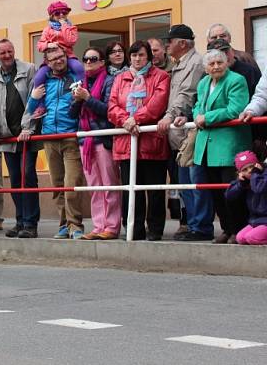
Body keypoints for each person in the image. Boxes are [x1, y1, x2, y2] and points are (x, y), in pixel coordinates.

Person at [185, 49, 251, 243]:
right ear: (205, 68)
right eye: (211, 64)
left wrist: (207, 118)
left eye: (219, 62)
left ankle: (238, 229)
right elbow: (198, 104)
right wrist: (198, 115)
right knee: (215, 191)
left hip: (228, 144)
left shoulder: (236, 80)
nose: (215, 67)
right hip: (206, 146)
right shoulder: (204, 82)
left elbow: (235, 108)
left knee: (232, 191)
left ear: (226, 63)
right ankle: (226, 229)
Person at [107, 40, 170, 241]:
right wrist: (125, 120)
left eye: (141, 55)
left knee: (154, 190)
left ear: (149, 56)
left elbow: (157, 104)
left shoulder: (161, 76)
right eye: (133, 55)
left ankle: (155, 229)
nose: (137, 59)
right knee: (130, 190)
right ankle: (134, 228)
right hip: (126, 142)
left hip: (152, 142)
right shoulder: (121, 78)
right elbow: (112, 106)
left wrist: (136, 119)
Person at [22, 47, 87, 239]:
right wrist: (34, 98)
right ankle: (63, 225)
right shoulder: (44, 81)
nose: (59, 60)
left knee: (72, 182)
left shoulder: (75, 75)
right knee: (57, 185)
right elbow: (31, 109)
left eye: (61, 56)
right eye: (54, 59)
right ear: (47, 63)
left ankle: (75, 225)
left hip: (71, 136)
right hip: (49, 137)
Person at [156, 24, 206, 241]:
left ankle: (200, 227)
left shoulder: (195, 63)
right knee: (186, 185)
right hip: (179, 137)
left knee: (195, 185)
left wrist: (169, 116)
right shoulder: (180, 64)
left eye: (171, 41)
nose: (167, 45)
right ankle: (194, 225)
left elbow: (186, 95)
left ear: (183, 43)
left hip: (190, 134)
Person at [69, 47, 120, 240]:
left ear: (102, 62)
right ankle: (98, 226)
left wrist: (87, 98)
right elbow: (72, 114)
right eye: (86, 59)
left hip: (103, 139)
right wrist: (77, 101)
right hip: (85, 141)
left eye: (93, 59)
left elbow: (108, 111)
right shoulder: (80, 83)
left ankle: (112, 226)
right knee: (94, 187)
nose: (89, 62)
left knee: (109, 185)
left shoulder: (109, 81)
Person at [31, 1, 85, 117]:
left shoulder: (71, 28)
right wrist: (48, 45)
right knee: (39, 77)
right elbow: (40, 46)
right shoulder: (47, 29)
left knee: (78, 67)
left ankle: (81, 92)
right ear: (52, 16)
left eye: (64, 13)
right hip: (50, 59)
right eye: (57, 13)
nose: (61, 16)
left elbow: (70, 41)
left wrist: (64, 25)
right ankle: (41, 106)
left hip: (68, 56)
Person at [226, 151, 267, 245]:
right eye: (245, 169)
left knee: (251, 238)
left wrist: (255, 174)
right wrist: (240, 184)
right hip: (256, 220)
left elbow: (258, 188)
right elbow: (229, 196)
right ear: (240, 173)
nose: (249, 171)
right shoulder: (246, 180)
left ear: (258, 165)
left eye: (252, 167)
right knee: (240, 238)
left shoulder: (263, 175)